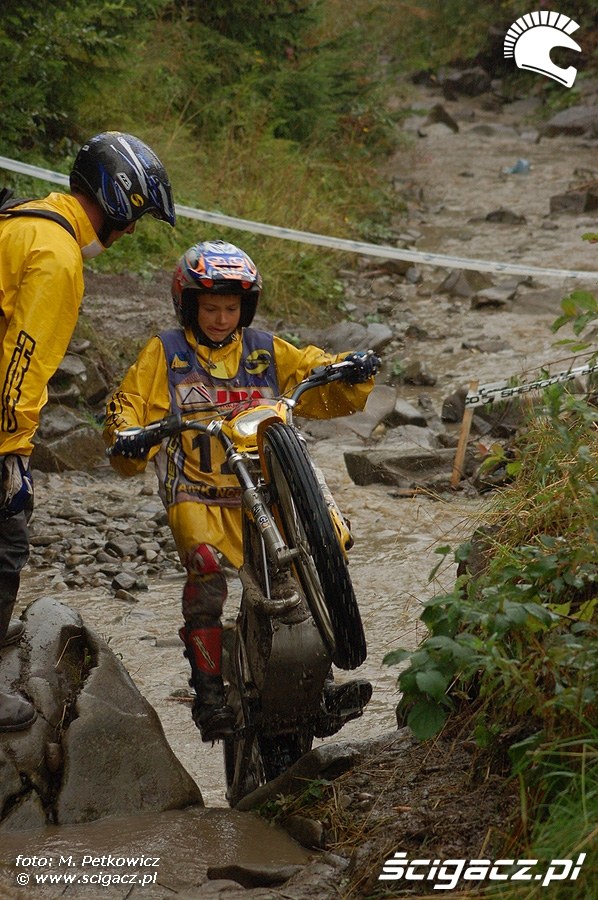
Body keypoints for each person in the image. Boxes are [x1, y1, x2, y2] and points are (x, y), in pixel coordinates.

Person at [104, 239, 380, 742]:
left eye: (231, 308)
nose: (221, 318)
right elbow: (129, 402)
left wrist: (349, 365)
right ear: (189, 305)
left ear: (245, 309)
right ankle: (208, 693)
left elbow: (311, 367)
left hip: (269, 490)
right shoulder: (165, 351)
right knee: (206, 570)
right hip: (198, 490)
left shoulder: (264, 348)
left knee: (305, 568)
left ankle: (320, 688)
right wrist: (127, 434)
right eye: (210, 308)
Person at [0, 131, 176, 731]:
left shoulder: (28, 217)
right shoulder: (57, 256)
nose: (129, 233)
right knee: (7, 541)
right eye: (136, 219)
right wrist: (12, 454)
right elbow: (22, 365)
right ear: (119, 203)